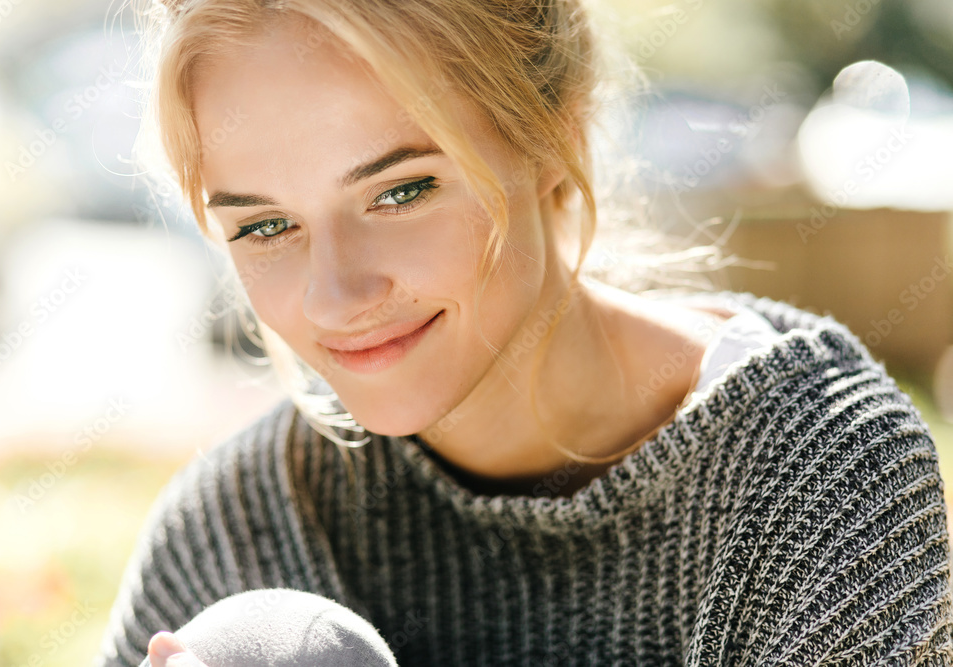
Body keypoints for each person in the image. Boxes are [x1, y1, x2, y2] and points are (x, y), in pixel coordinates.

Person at [95, 0, 953, 665]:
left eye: (401, 191)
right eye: (265, 227)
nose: (334, 296)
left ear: (555, 138)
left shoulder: (814, 469)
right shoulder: (234, 534)